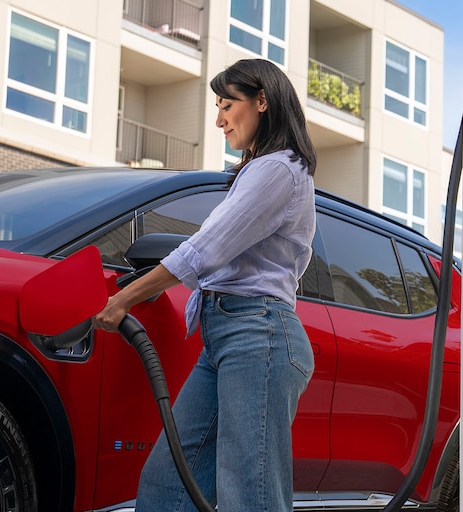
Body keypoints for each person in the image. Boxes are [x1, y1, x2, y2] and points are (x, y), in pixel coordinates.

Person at [92, 58, 317, 511]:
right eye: (217, 105)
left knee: (250, 496)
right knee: (166, 486)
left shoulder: (278, 168)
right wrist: (154, 285)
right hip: (225, 337)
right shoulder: (260, 171)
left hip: (259, 336)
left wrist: (124, 299)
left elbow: (206, 248)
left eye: (227, 104)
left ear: (262, 101)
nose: (219, 119)